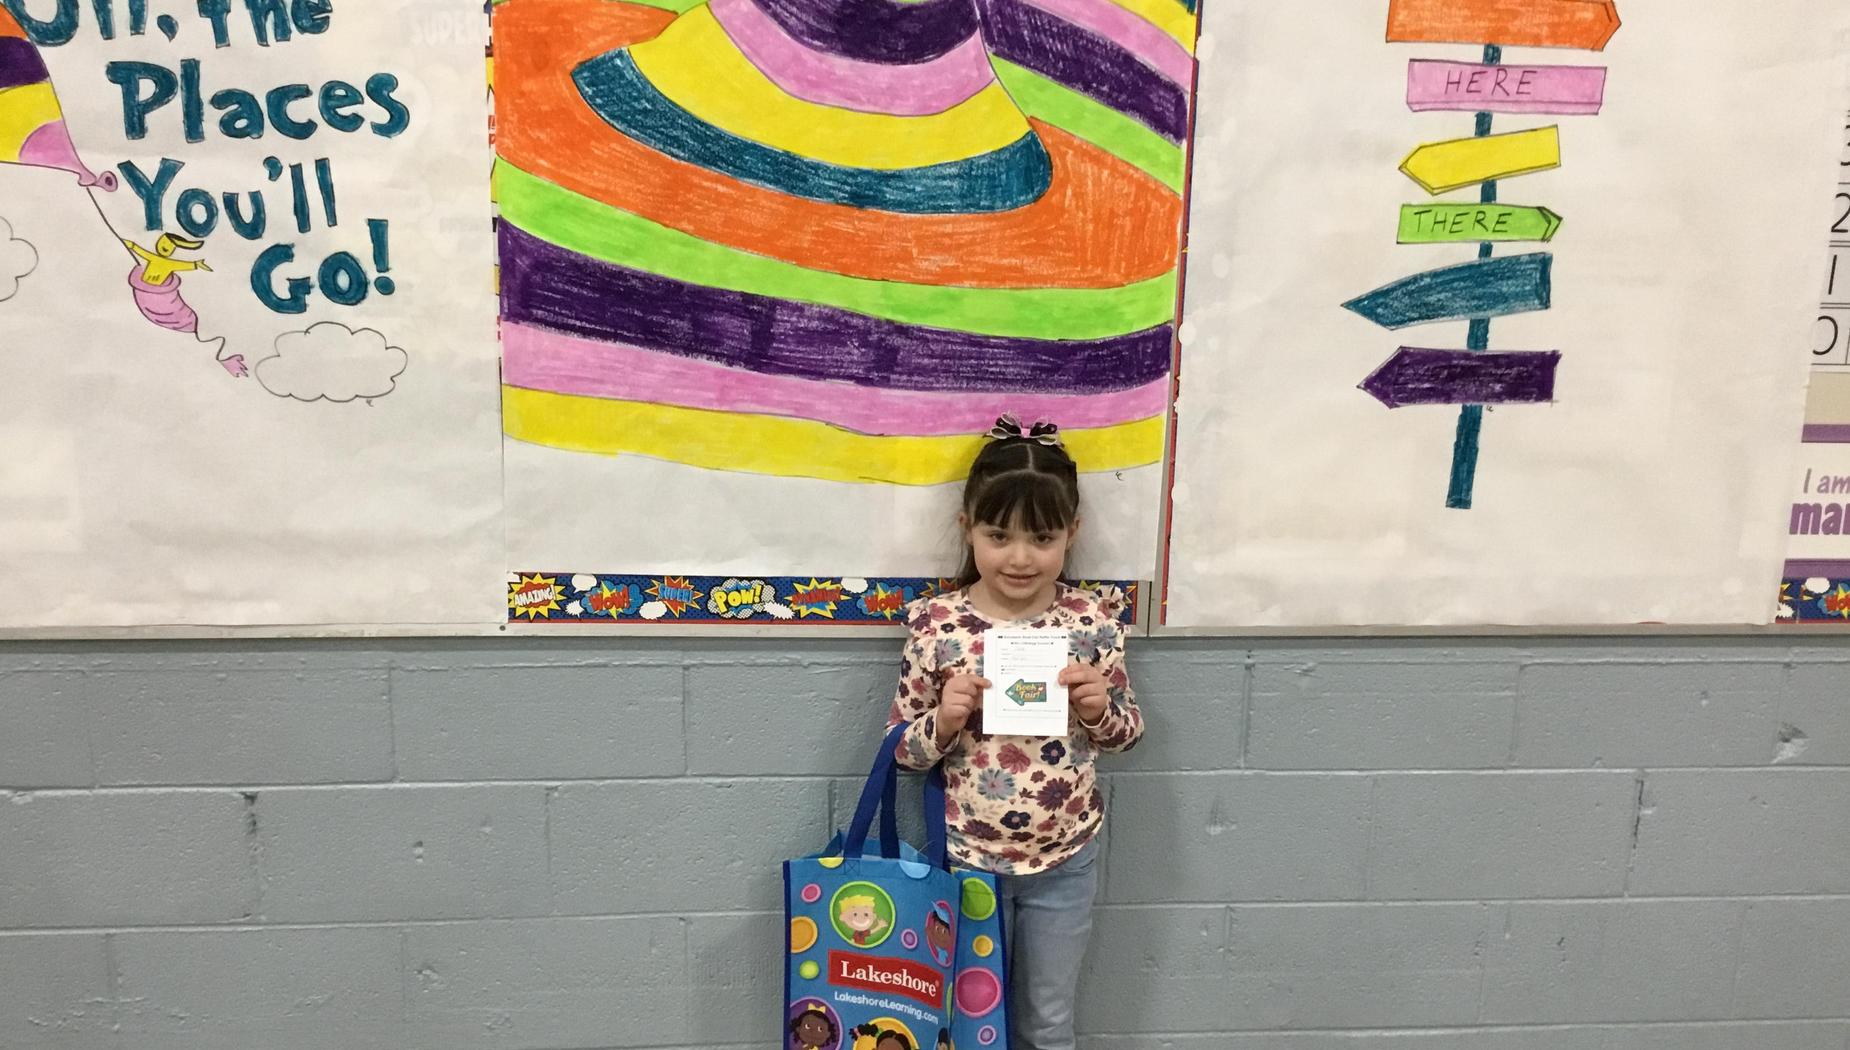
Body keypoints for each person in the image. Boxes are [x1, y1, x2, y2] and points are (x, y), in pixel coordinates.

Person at [886, 414, 1144, 1050]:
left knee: (1048, 1021)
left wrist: (1096, 709)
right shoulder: (938, 626)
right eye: (998, 535)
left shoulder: (1093, 623)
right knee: (975, 1022)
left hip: (1067, 856)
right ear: (967, 528)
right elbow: (899, 750)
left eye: (1043, 537)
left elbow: (1127, 734)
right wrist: (943, 720)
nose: (1021, 557)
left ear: (1071, 534)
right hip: (970, 860)